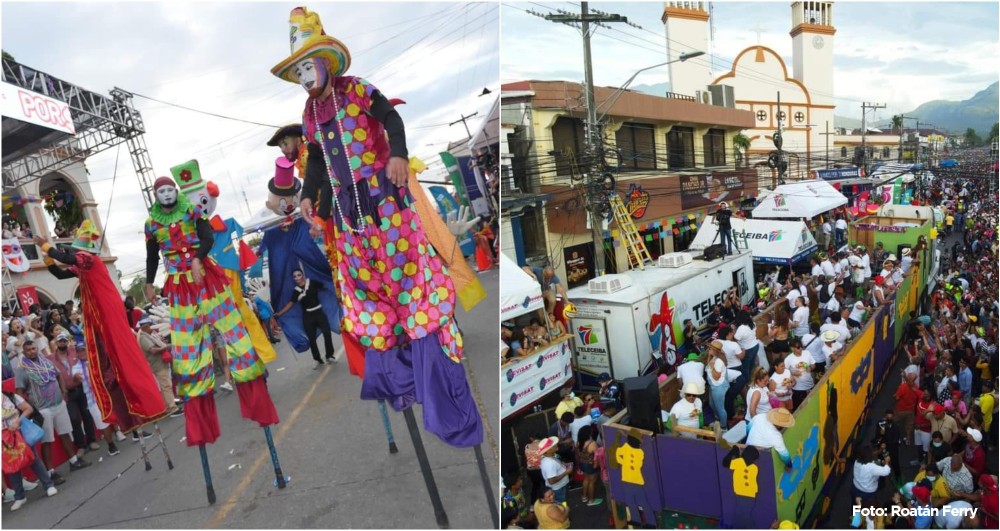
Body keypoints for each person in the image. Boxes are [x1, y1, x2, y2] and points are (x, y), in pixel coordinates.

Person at [275, 6, 480, 447]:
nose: (304, 77)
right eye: (297, 72)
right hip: (349, 217)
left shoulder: (357, 89)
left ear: (326, 61)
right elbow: (320, 168)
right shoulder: (309, 114)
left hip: (385, 199)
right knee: (366, 290)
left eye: (307, 66)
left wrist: (399, 155)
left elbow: (392, 119)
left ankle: (435, 371)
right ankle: (399, 373)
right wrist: (311, 199)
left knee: (409, 279)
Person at [144, 176, 277, 449]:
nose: (167, 194)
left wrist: (196, 259)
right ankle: (199, 416)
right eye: (162, 191)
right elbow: (151, 256)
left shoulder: (192, 211)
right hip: (180, 287)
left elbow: (206, 238)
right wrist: (148, 282)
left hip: (207, 277)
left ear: (176, 192)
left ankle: (256, 394)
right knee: (188, 348)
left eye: (170, 190)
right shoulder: (151, 224)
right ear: (156, 196)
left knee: (233, 332)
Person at [37, 223, 167, 441]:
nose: (72, 253)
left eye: (74, 250)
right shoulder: (82, 266)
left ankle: (145, 402)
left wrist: (47, 246)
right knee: (106, 359)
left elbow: (68, 259)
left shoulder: (89, 259)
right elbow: (59, 274)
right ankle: (128, 412)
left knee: (120, 352)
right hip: (96, 314)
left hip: (107, 310)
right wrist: (47, 257)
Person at [14, 341, 90, 483]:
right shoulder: (22, 369)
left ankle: (74, 461)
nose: (32, 351)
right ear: (24, 352)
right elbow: (18, 392)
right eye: (28, 350)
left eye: (33, 348)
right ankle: (51, 472)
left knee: (65, 433)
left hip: (58, 403)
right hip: (42, 409)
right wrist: (29, 408)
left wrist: (63, 391)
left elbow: (59, 374)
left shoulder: (46, 362)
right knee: (47, 441)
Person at [3, 386, 58, 511]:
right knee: (12, 467)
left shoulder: (11, 396)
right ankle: (19, 497)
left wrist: (18, 422)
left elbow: (28, 409)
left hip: (19, 434)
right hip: (4, 440)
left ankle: (48, 485)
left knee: (33, 459)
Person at [49, 332, 98, 455]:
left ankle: (91, 440)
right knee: (74, 418)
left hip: (81, 388)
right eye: (60, 341)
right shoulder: (50, 358)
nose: (62, 343)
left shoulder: (74, 352)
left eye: (64, 341)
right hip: (67, 392)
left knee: (87, 414)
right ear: (56, 343)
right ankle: (81, 446)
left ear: (68, 342)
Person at [275, 269, 336, 368]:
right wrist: (279, 313)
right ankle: (317, 359)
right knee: (311, 339)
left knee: (327, 333)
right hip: (308, 316)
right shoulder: (296, 291)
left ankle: (329, 355)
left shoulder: (312, 283)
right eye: (294, 276)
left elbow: (325, 286)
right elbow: (290, 303)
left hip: (319, 312)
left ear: (303, 275)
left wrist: (336, 286)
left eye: (299, 275)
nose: (297, 278)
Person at [136, 317, 182, 418]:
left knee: (165, 386)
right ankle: (172, 408)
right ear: (146, 326)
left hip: (160, 363)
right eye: (150, 326)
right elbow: (152, 350)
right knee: (166, 386)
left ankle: (168, 407)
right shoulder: (143, 337)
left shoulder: (147, 334)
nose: (151, 328)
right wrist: (165, 348)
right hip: (158, 364)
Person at [705, 340, 731, 428]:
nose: (708, 349)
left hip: (718, 387)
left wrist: (712, 367)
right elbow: (708, 365)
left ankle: (724, 427)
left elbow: (716, 377)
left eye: (710, 348)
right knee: (712, 404)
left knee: (720, 408)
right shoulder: (713, 358)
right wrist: (709, 356)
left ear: (714, 350)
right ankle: (719, 419)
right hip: (714, 386)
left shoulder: (719, 361)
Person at [538, 436, 572, 503]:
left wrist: (563, 464)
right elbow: (552, 481)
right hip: (559, 489)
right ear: (547, 450)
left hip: (560, 487)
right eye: (553, 445)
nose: (556, 445)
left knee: (562, 503)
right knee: (561, 504)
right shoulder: (549, 463)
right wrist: (566, 472)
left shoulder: (548, 457)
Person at [785, 339, 815, 410]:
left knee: (811, 407)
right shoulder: (788, 359)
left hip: (810, 385)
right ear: (792, 349)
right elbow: (784, 373)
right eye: (798, 347)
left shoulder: (807, 353)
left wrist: (810, 368)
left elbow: (813, 365)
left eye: (801, 346)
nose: (801, 349)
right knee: (798, 408)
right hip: (798, 389)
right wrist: (793, 373)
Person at [576, 425, 602, 506]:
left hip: (582, 464)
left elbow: (577, 454)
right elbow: (597, 456)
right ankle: (591, 500)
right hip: (591, 465)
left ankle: (584, 496)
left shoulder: (578, 442)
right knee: (592, 482)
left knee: (586, 479)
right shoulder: (592, 444)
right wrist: (597, 465)